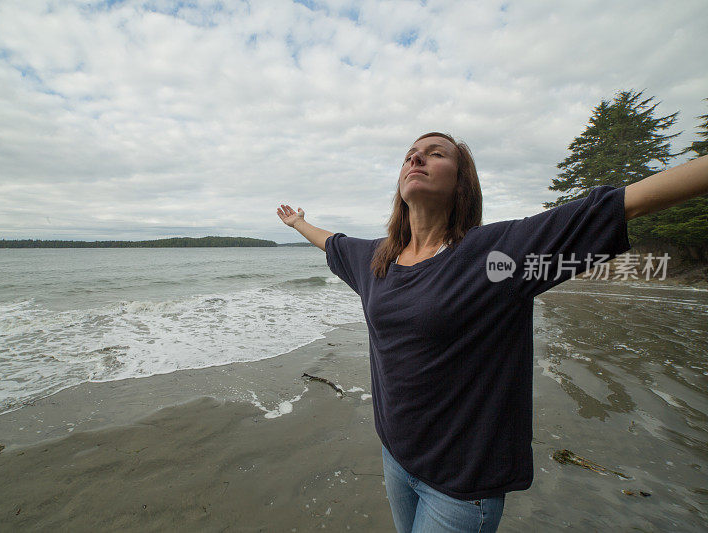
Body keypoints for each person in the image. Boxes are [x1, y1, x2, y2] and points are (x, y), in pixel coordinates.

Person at [276, 132, 708, 532]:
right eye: (411, 153)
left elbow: (617, 206)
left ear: (462, 182)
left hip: (461, 486)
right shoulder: (377, 260)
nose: (417, 156)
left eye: (436, 153)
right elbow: (333, 242)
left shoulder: (497, 255)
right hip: (396, 456)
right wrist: (298, 223)